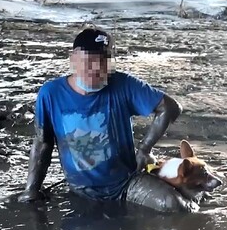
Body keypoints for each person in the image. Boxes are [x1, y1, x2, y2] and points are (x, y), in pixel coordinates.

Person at [17, 23, 199, 213]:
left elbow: (170, 107)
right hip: (80, 189)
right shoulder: (51, 93)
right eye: (89, 61)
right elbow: (42, 143)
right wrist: (31, 190)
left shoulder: (123, 84)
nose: (96, 68)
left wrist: (144, 149)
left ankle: (199, 194)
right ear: (73, 60)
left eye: (103, 61)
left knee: (174, 205)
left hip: (127, 182)